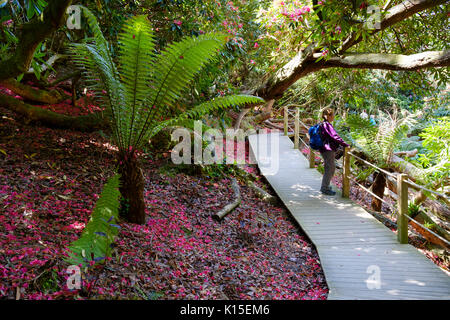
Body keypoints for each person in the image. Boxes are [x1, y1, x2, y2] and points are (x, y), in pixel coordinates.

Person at [319, 107, 350, 195]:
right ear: (327, 116)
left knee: (329, 167)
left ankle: (326, 186)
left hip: (326, 148)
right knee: (330, 168)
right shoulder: (326, 125)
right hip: (327, 149)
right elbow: (334, 136)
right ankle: (324, 188)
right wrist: (345, 144)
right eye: (332, 115)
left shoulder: (324, 124)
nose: (333, 116)